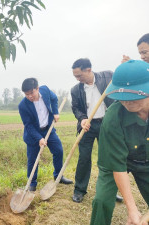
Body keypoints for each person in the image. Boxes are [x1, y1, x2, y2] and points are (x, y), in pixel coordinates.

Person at [90, 60, 149, 225]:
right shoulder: (113, 117)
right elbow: (117, 166)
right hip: (114, 163)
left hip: (145, 161)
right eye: (123, 98)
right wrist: (132, 209)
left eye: (134, 97)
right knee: (101, 200)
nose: (127, 103)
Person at [71, 58, 123, 203]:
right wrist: (82, 119)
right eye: (75, 76)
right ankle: (79, 190)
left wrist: (123, 66)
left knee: (108, 158)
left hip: (107, 123)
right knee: (84, 158)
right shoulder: (76, 89)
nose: (77, 79)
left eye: (79, 75)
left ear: (88, 70)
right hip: (87, 126)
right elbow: (76, 108)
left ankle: (110, 191)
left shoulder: (107, 76)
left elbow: (120, 83)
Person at [18, 78, 73, 192]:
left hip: (48, 128)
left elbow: (54, 98)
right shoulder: (23, 105)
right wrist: (39, 138)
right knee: (33, 160)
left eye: (32, 93)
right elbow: (28, 125)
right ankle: (32, 184)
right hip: (33, 134)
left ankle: (58, 176)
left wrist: (56, 113)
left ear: (37, 89)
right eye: (26, 94)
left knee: (58, 151)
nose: (30, 96)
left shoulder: (45, 90)